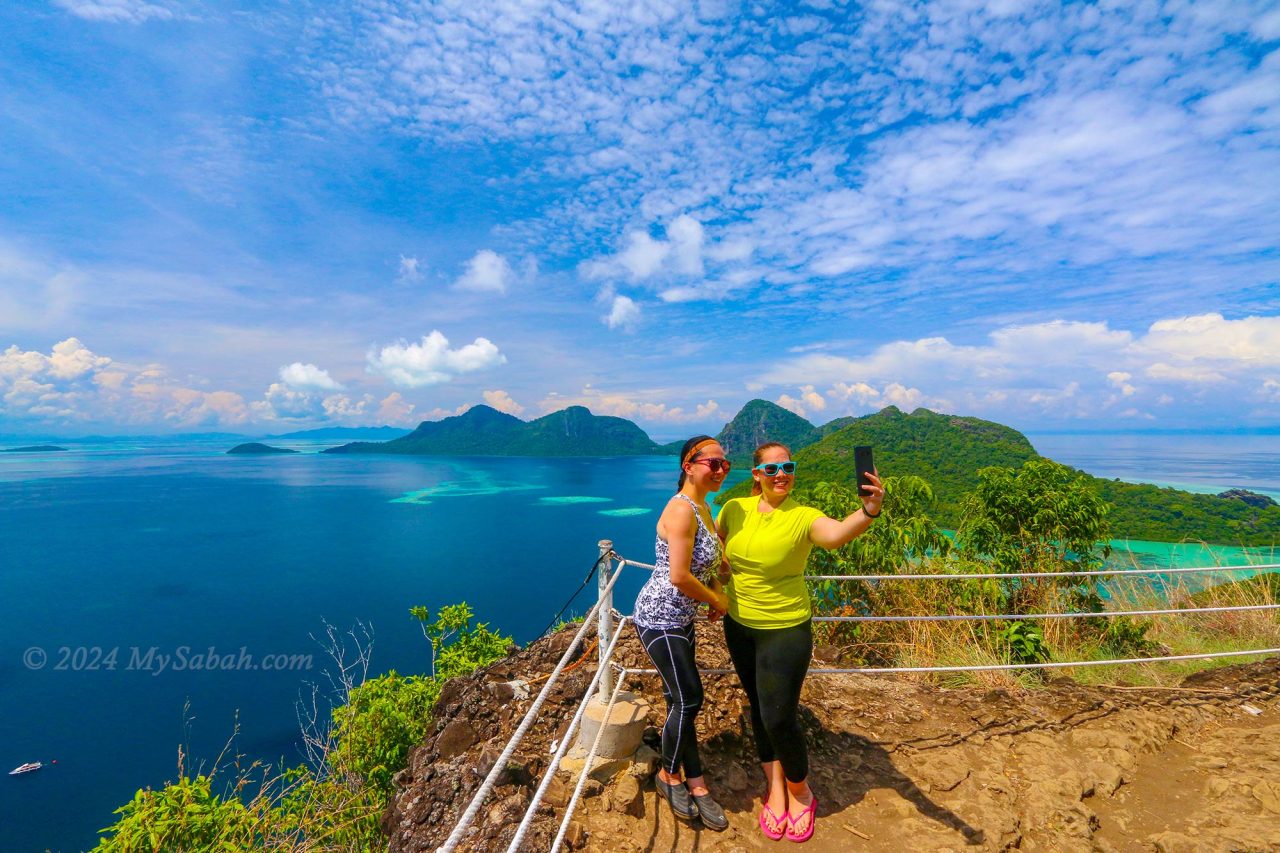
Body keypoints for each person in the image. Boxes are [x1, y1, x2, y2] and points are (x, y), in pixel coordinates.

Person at [716, 442, 884, 843]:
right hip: (739, 625)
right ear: (756, 475)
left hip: (786, 628)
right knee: (758, 706)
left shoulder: (803, 516)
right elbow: (717, 550)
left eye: (787, 467)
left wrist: (869, 509)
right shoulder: (733, 509)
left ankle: (800, 791)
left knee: (780, 716)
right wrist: (712, 588)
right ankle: (773, 786)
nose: (781, 475)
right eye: (771, 470)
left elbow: (835, 535)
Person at [631, 435, 734, 831]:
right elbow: (678, 576)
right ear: (689, 466)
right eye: (713, 463)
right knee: (690, 699)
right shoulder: (681, 510)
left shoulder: (705, 508)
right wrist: (716, 600)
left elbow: (711, 564)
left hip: (681, 619)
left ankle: (697, 782)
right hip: (659, 617)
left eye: (726, 463)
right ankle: (668, 776)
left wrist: (719, 583)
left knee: (679, 700)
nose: (722, 469)